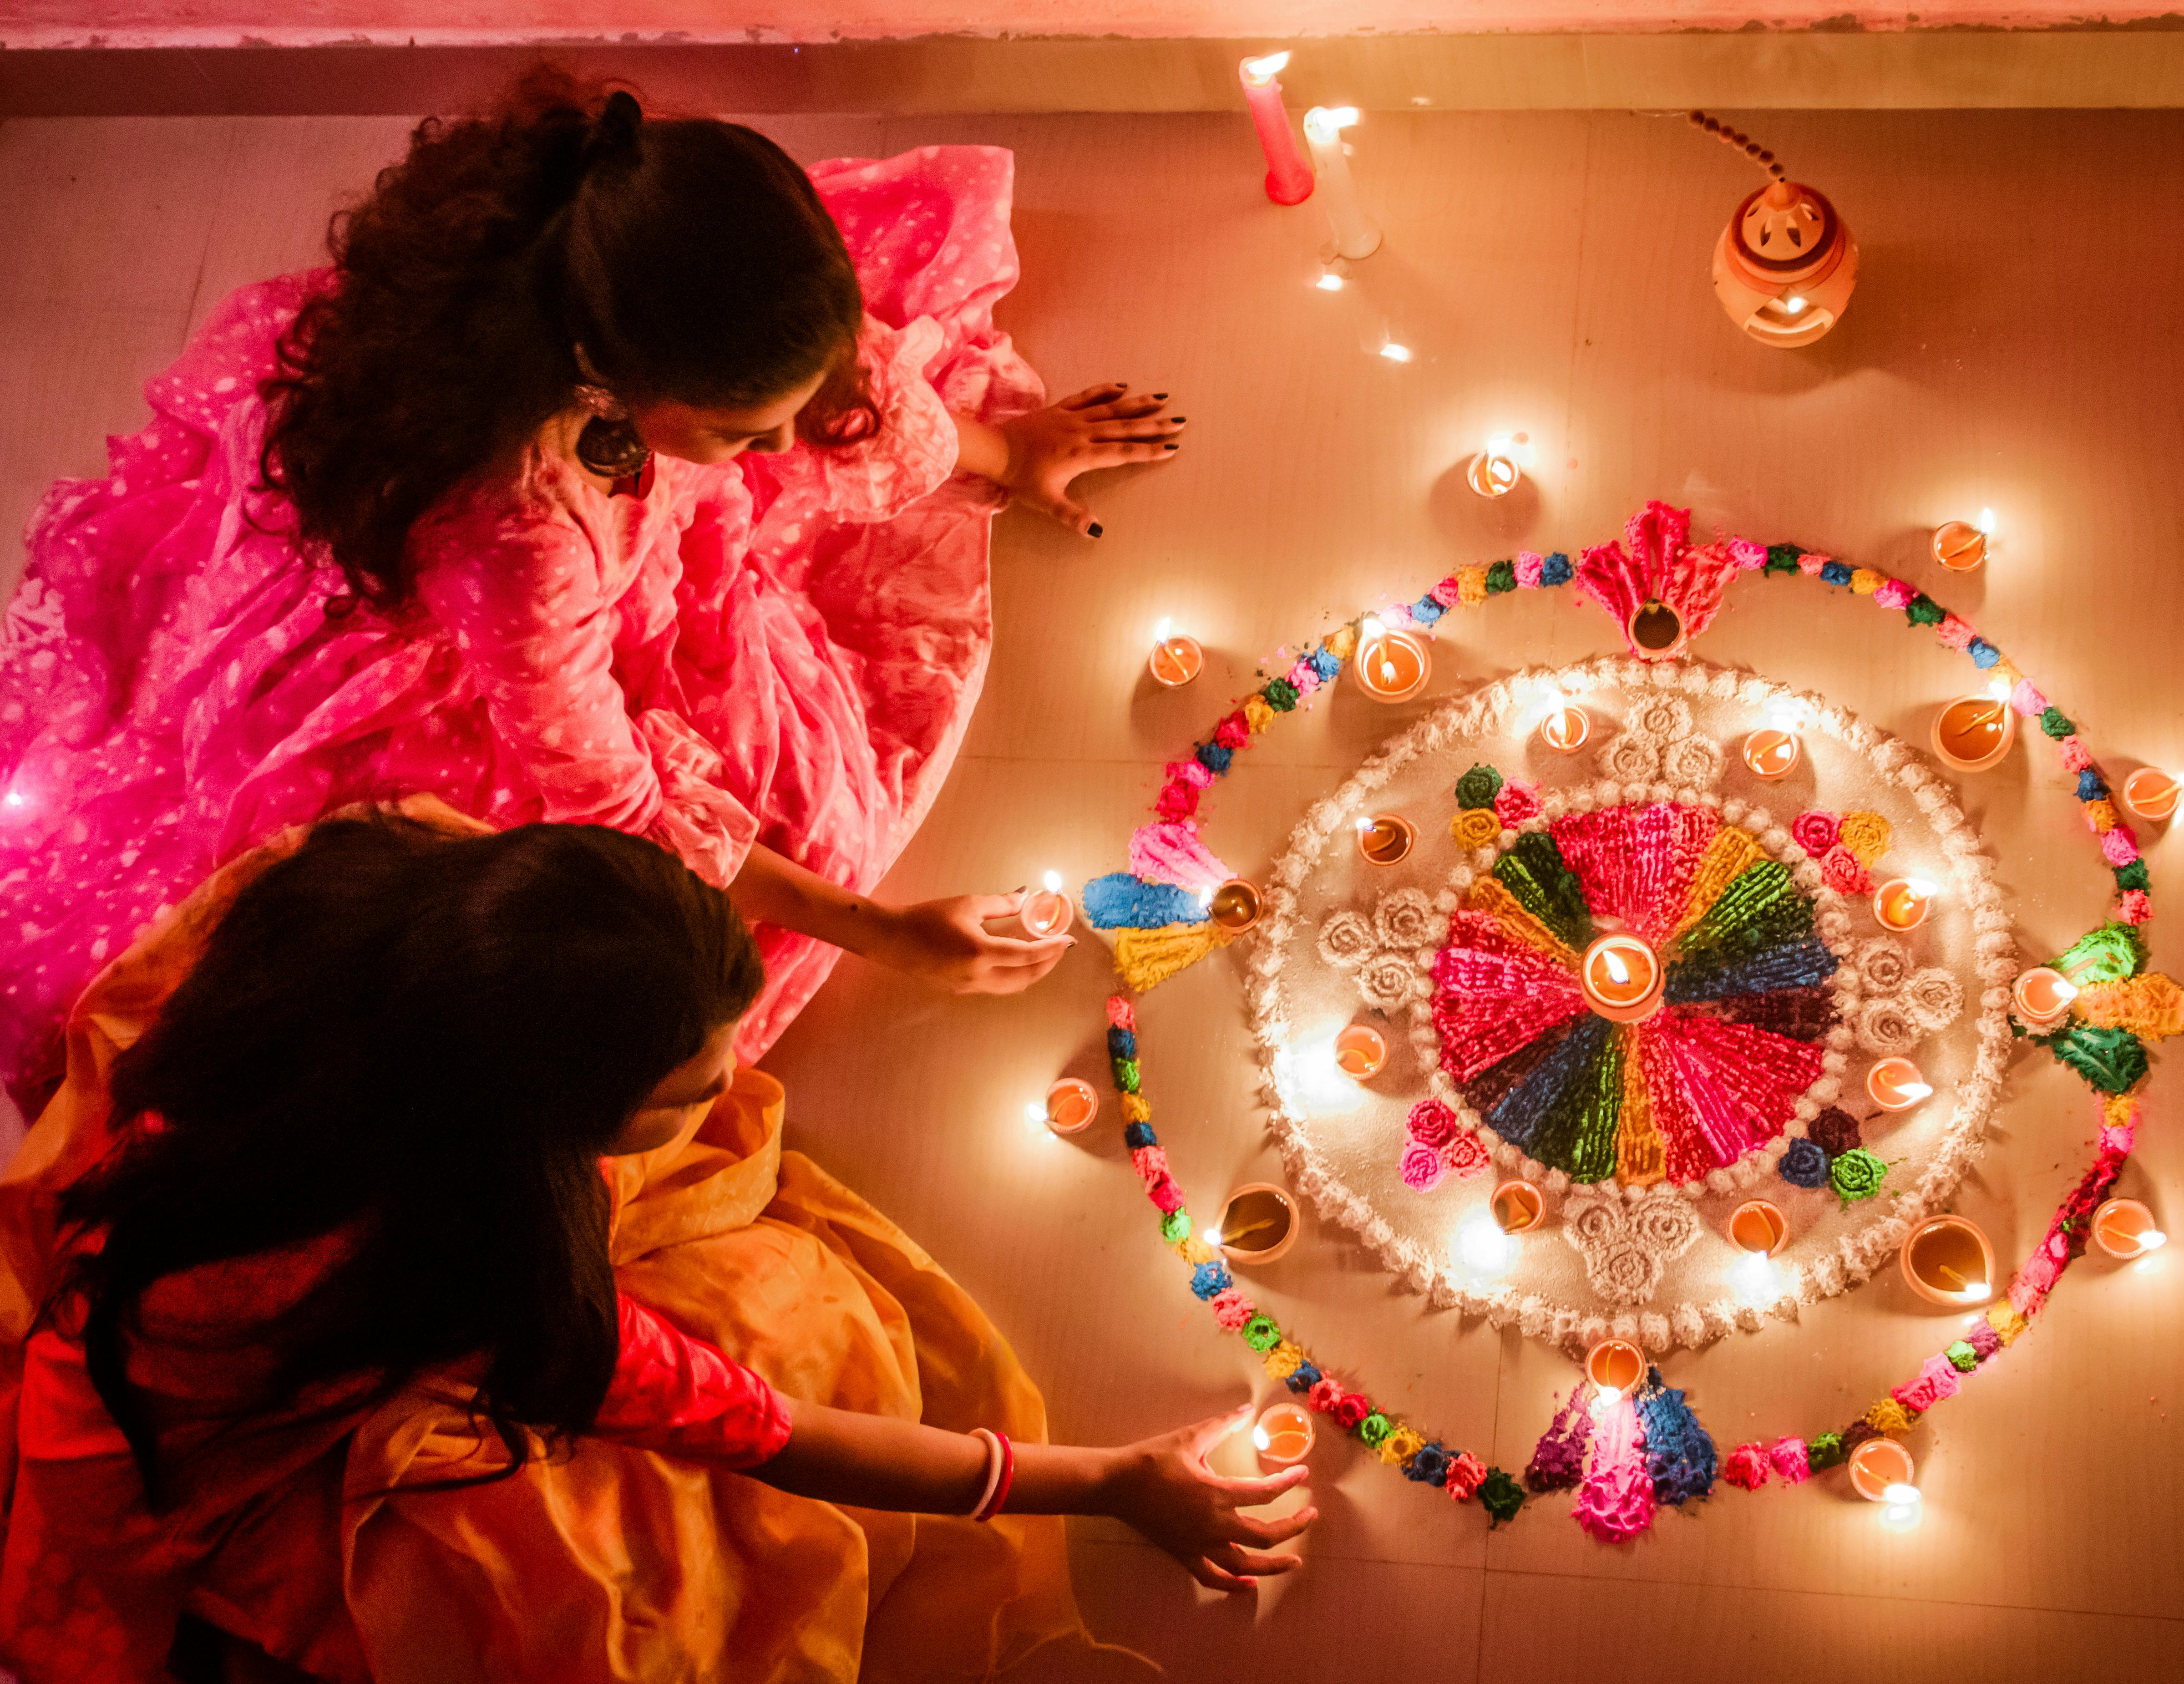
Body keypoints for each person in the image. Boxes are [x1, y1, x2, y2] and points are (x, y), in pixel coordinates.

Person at [0, 68, 1185, 1112]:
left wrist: (1005, 455)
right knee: (706, 877)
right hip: (475, 673)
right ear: (609, 380)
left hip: (591, 529)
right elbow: (622, 814)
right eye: (741, 429)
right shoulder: (514, 538)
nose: (785, 451)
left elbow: (846, 386)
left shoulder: (660, 263)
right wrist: (881, 932)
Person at [0, 806, 1312, 1684]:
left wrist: (892, 927)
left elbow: (671, 862)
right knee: (776, 1344)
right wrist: (1111, 1481)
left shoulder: (383, 898)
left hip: (170, 1300)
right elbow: (776, 1431)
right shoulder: (467, 1263)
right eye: (683, 1091)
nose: (727, 1095)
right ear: (531, 1124)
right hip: (166, 1482)